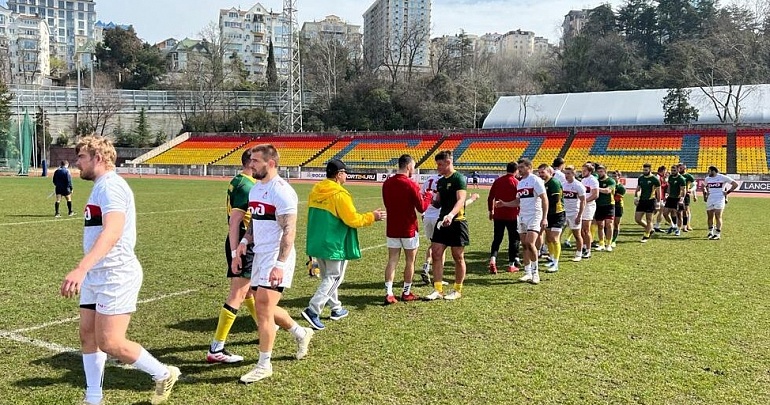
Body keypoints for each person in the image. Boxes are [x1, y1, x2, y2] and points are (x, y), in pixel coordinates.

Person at [60, 136, 179, 405]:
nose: (77, 162)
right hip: (96, 274)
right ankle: (93, 398)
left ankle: (163, 373)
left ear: (98, 158)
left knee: (110, 342)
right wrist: (88, 270)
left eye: (81, 157)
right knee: (87, 336)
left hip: (116, 274)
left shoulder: (111, 187)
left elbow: (112, 232)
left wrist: (81, 268)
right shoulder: (100, 186)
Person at [233, 144, 314, 383]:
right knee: (263, 307)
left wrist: (280, 263)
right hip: (259, 254)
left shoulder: (283, 192)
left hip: (277, 257)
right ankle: (301, 332)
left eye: (256, 161)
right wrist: (245, 242)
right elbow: (255, 222)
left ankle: (264, 364)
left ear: (271, 163)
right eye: (251, 161)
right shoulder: (256, 189)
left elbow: (289, 231)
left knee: (263, 310)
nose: (251, 165)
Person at [302, 159, 386, 329]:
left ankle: (336, 308)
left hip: (318, 241)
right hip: (334, 242)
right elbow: (352, 219)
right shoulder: (340, 194)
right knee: (334, 277)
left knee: (328, 277)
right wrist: (372, 216)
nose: (346, 175)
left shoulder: (316, 190)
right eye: (345, 172)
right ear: (339, 174)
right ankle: (313, 309)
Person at [206, 150, 259, 364]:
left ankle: (262, 325)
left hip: (239, 243)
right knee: (238, 292)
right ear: (251, 164)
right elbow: (235, 221)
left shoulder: (237, 179)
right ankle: (216, 347)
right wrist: (237, 250)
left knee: (249, 290)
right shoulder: (247, 185)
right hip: (243, 244)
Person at [381, 154, 432, 304]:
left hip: (392, 227)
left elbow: (387, 204)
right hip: (408, 228)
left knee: (392, 260)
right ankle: (406, 292)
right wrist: (428, 196)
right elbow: (422, 207)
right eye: (414, 167)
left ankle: (389, 292)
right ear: (409, 166)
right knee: (410, 261)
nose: (414, 170)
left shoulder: (387, 183)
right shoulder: (411, 184)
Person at [425, 150, 469, 300]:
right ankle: (438, 289)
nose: (438, 168)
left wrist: (451, 215)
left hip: (457, 222)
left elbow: (460, 200)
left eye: (440, 164)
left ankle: (457, 290)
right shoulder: (441, 181)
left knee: (458, 256)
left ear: (448, 162)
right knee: (436, 253)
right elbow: (438, 204)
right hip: (442, 221)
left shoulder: (459, 178)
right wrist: (430, 199)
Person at [497, 158, 547, 284]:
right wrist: (504, 204)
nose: (519, 170)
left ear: (529, 168)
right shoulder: (520, 183)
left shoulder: (535, 180)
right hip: (522, 216)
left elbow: (544, 198)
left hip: (535, 215)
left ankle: (536, 273)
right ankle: (527, 272)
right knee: (524, 245)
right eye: (519, 167)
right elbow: (518, 201)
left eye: (522, 167)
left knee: (530, 244)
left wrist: (544, 217)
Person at [487, 162, 521, 274]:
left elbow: (490, 197)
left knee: (497, 238)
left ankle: (493, 259)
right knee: (514, 239)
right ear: (516, 171)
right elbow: (520, 200)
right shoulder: (517, 182)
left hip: (498, 215)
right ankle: (511, 264)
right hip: (512, 215)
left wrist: (491, 210)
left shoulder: (498, 181)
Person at [538, 164, 565, 273]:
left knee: (554, 238)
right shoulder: (544, 183)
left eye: (542, 172)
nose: (541, 175)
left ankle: (556, 263)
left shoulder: (554, 182)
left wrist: (543, 206)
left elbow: (555, 199)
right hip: (548, 214)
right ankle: (552, 259)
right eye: (539, 173)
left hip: (557, 213)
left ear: (549, 171)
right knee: (549, 238)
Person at [703, 166, 738, 240]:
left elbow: (735, 184)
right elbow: (704, 186)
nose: (708, 172)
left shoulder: (722, 177)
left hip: (719, 199)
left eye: (709, 171)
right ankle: (710, 232)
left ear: (713, 171)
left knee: (718, 216)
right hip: (710, 199)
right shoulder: (707, 179)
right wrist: (706, 194)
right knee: (709, 216)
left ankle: (717, 234)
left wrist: (727, 192)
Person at [419, 173, 442, 285]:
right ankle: (438, 277)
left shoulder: (429, 179)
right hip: (438, 215)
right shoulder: (445, 180)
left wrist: (423, 212)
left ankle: (426, 265)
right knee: (442, 246)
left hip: (427, 215)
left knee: (433, 243)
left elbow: (421, 196)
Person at [561, 165, 586, 261]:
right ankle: (553, 255)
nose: (566, 175)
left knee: (577, 234)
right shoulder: (563, 184)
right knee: (557, 234)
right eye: (565, 173)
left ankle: (579, 253)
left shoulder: (578, 185)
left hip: (574, 213)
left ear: (573, 174)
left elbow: (583, 201)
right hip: (563, 213)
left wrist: (579, 215)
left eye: (568, 173)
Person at [634, 163, 661, 243]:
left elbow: (659, 192)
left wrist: (658, 202)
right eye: (643, 170)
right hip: (642, 201)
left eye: (646, 170)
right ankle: (650, 229)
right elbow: (638, 189)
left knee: (649, 219)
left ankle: (646, 235)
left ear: (650, 170)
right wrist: (636, 197)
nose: (644, 171)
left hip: (651, 201)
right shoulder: (641, 178)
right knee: (637, 219)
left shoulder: (655, 179)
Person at [594, 165, 616, 252]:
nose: (599, 173)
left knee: (609, 224)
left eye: (601, 171)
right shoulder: (596, 181)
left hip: (609, 205)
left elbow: (608, 191)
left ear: (605, 171)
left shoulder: (610, 180)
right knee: (600, 225)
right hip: (599, 205)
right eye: (598, 172)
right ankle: (601, 243)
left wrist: (596, 188)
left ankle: (609, 244)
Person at [580, 163, 600, 258]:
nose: (582, 172)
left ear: (590, 171)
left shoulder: (593, 180)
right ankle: (584, 246)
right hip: (582, 205)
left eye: (584, 171)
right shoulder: (583, 180)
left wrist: (585, 201)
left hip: (589, 206)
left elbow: (595, 195)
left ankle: (588, 250)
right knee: (580, 229)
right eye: (582, 170)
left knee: (586, 229)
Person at [664, 165, 687, 236]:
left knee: (679, 215)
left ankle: (678, 229)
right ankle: (673, 226)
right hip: (670, 198)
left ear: (678, 170)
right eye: (672, 170)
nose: (672, 172)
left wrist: (682, 199)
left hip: (678, 198)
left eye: (674, 170)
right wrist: (667, 193)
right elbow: (669, 186)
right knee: (665, 213)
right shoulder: (670, 177)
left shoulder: (681, 178)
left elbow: (683, 190)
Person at [678, 163, 697, 231]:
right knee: (678, 211)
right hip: (676, 195)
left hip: (685, 195)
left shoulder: (689, 176)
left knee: (686, 210)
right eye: (679, 168)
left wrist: (693, 193)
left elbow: (694, 185)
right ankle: (679, 225)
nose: (680, 169)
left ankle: (687, 224)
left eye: (681, 168)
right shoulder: (676, 175)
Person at [610, 170, 626, 248]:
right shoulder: (609, 185)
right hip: (609, 206)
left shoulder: (621, 187)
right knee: (608, 224)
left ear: (619, 177)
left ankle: (614, 240)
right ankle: (608, 239)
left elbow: (616, 198)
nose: (614, 178)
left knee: (616, 224)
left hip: (618, 206)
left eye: (615, 176)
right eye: (613, 176)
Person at [654, 165, 669, 232]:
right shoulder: (658, 177)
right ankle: (654, 225)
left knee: (658, 211)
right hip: (657, 198)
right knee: (655, 211)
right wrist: (658, 200)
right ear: (663, 171)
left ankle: (656, 226)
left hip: (660, 198)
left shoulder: (661, 177)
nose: (666, 172)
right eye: (665, 171)